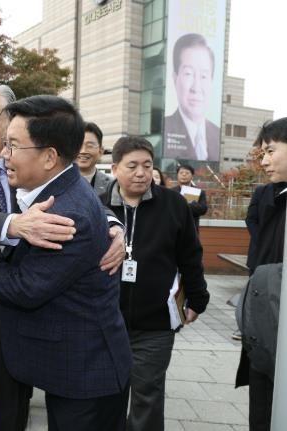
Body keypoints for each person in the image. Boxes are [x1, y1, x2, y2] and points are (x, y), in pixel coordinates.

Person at [0, 78, 126, 431]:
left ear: (9, 119)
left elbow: (72, 193)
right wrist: (15, 225)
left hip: (19, 323)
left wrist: (112, 224)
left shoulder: (29, 157)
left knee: (12, 414)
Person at [100, 136, 210, 431]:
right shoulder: (97, 205)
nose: (141, 173)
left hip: (155, 324)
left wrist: (197, 299)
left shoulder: (173, 204)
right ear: (114, 168)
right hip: (105, 322)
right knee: (106, 397)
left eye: (147, 166)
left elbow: (190, 255)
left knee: (147, 397)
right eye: (132, 166)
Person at [235, 117, 287, 431]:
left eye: (270, 151)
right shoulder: (270, 196)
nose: (264, 161)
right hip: (267, 322)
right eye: (262, 153)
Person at [164, 33, 220, 161]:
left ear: (211, 81)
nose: (196, 87)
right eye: (188, 74)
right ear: (175, 78)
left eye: (203, 76)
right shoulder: (164, 129)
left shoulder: (217, 134)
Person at [76, 121, 112, 195]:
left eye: (89, 146)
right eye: (78, 145)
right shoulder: (57, 182)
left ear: (101, 151)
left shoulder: (111, 186)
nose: (83, 151)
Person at [172, 164, 208, 233]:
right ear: (177, 175)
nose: (184, 175)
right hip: (174, 229)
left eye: (187, 173)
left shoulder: (199, 192)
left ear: (192, 176)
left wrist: (185, 204)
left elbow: (203, 209)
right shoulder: (171, 192)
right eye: (181, 173)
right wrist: (191, 204)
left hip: (192, 230)